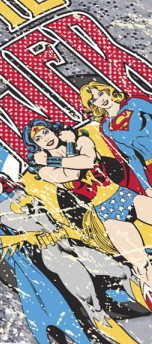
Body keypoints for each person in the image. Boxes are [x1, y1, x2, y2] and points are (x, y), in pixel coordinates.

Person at [0, 169, 137, 343]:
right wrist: (24, 237)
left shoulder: (21, 192)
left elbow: (51, 214)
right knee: (92, 303)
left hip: (69, 243)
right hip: (52, 253)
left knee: (124, 271)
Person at [23, 119, 152, 312]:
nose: (45, 139)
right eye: (38, 139)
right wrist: (64, 149)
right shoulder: (45, 171)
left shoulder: (82, 141)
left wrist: (66, 146)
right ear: (36, 146)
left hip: (125, 196)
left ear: (54, 130)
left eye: (45, 132)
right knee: (142, 264)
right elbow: (73, 174)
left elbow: (87, 161)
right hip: (107, 213)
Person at [81, 81, 152, 195]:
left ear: (108, 90)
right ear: (92, 105)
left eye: (101, 94)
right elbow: (132, 157)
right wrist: (146, 186)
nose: (101, 100)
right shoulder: (106, 127)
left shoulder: (134, 103)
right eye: (94, 100)